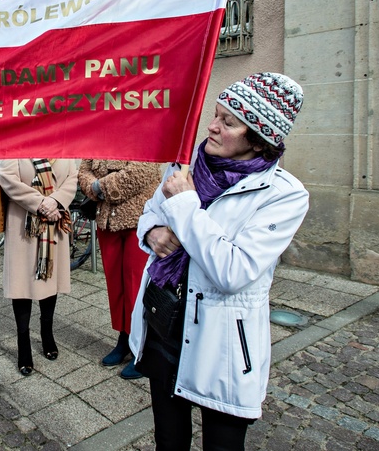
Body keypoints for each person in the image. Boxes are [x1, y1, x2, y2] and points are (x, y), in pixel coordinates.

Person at [128, 72, 309, 450]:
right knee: (168, 439)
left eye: (228, 122)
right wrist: (151, 233)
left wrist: (184, 207)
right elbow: (149, 212)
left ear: (258, 142)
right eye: (215, 114)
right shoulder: (187, 167)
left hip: (222, 344)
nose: (211, 126)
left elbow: (234, 271)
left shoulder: (283, 195)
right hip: (165, 323)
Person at [77, 160, 160, 379]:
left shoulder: (141, 131)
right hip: (107, 222)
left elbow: (143, 170)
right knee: (116, 287)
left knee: (136, 287)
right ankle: (123, 339)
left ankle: (142, 349)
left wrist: (99, 186)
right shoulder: (100, 132)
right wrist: (93, 185)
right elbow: (84, 170)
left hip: (138, 221)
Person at [0, 159, 78, 376]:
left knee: (49, 279)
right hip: (23, 225)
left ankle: (47, 332)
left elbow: (72, 179)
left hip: (54, 222)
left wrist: (56, 201)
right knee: (21, 285)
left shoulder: (63, 145)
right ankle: (23, 341)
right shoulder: (17, 141)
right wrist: (42, 204)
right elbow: (7, 178)